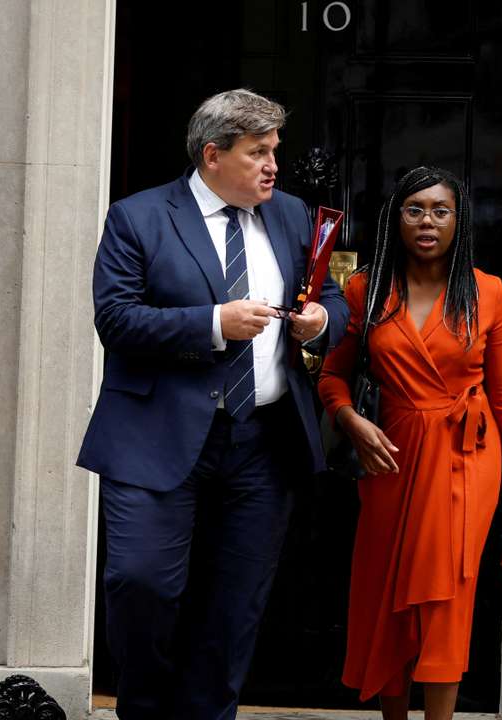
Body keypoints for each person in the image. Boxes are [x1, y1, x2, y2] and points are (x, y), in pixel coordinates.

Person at [77, 89, 349, 719]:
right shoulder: (138, 217)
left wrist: (318, 324)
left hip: (263, 442)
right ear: (212, 155)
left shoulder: (290, 215)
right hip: (156, 435)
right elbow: (115, 320)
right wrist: (213, 322)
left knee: (234, 607)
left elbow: (331, 300)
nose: (272, 165)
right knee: (140, 583)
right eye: (258, 152)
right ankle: (143, 708)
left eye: (274, 150)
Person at [318, 166, 502, 718]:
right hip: (390, 458)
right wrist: (351, 420)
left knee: (448, 597)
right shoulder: (365, 288)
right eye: (415, 209)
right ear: (396, 218)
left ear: (459, 220)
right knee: (388, 598)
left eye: (440, 210)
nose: (427, 221)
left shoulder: (489, 294)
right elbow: (332, 375)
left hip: (464, 462)